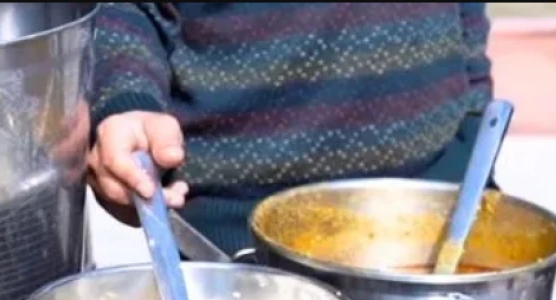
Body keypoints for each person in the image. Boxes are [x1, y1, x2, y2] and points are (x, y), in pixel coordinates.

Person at [87, 3, 495, 254]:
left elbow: (468, 18)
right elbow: (124, 10)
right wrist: (127, 104)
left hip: (444, 222)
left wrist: (475, 137)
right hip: (238, 252)